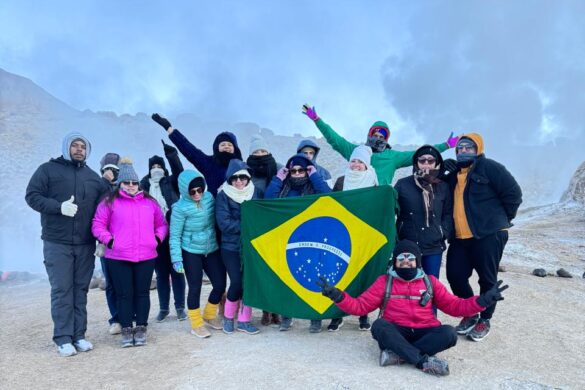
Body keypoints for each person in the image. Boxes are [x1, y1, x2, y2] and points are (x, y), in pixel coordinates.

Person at [318, 240, 508, 376]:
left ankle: (397, 355)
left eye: (411, 259)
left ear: (417, 261)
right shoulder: (385, 281)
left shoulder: (430, 281)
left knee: (449, 333)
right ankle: (422, 361)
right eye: (402, 259)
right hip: (396, 330)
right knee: (379, 326)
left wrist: (483, 301)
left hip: (425, 329)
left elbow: (455, 306)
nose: (406, 263)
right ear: (395, 262)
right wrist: (337, 295)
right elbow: (360, 306)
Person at [25, 131, 108, 357]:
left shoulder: (93, 178)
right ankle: (62, 338)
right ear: (66, 147)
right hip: (57, 242)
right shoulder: (48, 170)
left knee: (80, 290)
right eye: (75, 145)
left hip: (84, 244)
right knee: (62, 290)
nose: (79, 149)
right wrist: (57, 207)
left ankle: (78, 335)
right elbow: (32, 195)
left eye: (83, 146)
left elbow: (105, 209)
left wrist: (102, 238)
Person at [441, 133, 522, 341]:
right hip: (460, 238)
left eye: (468, 147)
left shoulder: (491, 168)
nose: (463, 151)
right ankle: (470, 312)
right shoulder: (453, 175)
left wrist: (500, 221)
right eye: (459, 148)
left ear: (478, 149)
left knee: (487, 278)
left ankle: (485, 319)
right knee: (455, 275)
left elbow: (513, 194)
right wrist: (442, 172)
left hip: (488, 235)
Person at [92, 158, 168, 347]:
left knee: (142, 293)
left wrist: (156, 239)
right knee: (124, 294)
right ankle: (126, 328)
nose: (131, 186)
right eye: (127, 182)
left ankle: (141, 327)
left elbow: (162, 224)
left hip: (146, 255)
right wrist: (110, 240)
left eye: (134, 183)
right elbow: (97, 224)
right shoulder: (109, 201)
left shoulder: (149, 202)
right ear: (120, 184)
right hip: (118, 256)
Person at [301, 104, 459, 185]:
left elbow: (419, 154)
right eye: (374, 135)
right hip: (358, 197)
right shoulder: (357, 152)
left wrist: (445, 145)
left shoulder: (393, 157)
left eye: (381, 136)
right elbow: (334, 139)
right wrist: (317, 120)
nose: (377, 138)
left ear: (386, 139)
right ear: (369, 135)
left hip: (379, 201)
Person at [265, 153, 331, 331]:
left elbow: (329, 197)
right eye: (293, 170)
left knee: (313, 278)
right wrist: (278, 178)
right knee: (287, 278)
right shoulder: (284, 186)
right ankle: (287, 316)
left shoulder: (313, 186)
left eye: (300, 170)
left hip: (311, 240)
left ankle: (314, 317)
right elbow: (268, 201)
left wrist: (314, 175)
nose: (296, 173)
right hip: (287, 240)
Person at [324, 145, 379, 332]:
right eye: (353, 160)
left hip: (362, 235)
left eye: (360, 162)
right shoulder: (341, 181)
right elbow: (330, 205)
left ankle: (362, 314)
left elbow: (377, 209)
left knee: (361, 274)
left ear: (366, 165)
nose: (356, 165)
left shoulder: (372, 182)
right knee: (341, 273)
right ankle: (337, 315)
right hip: (342, 235)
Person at [169, 169, 227, 338]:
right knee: (195, 287)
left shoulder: (209, 198)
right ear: (184, 191)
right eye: (192, 191)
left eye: (200, 190)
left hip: (212, 248)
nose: (197, 194)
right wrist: (176, 259)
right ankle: (196, 324)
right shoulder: (179, 208)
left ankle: (209, 315)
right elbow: (175, 235)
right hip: (191, 251)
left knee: (220, 284)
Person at [140, 140, 186, 323]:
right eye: (154, 166)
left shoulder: (171, 181)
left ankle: (180, 307)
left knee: (177, 270)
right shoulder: (143, 184)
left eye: (160, 166)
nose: (156, 168)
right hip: (154, 235)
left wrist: (172, 155)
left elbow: (179, 172)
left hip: (173, 231)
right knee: (160, 273)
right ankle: (164, 308)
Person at [215, 159, 263, 335]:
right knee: (236, 281)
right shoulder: (223, 196)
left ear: (248, 178)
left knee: (248, 282)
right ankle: (228, 317)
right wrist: (248, 224)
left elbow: (262, 216)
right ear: (229, 180)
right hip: (231, 247)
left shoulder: (255, 193)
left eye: (242, 177)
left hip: (251, 247)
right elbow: (224, 224)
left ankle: (244, 320)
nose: (239, 181)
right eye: (234, 178)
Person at [394, 145, 453, 283]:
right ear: (416, 163)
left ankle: (432, 306)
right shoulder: (403, 184)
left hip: (433, 246)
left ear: (436, 163)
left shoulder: (443, 187)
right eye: (422, 160)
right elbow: (390, 209)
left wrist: (442, 232)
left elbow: (448, 213)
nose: (426, 163)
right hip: (408, 245)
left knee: (431, 286)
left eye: (430, 160)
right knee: (407, 286)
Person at [151, 113, 242, 196]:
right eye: (223, 144)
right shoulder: (209, 164)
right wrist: (169, 129)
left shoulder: (242, 166)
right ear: (217, 148)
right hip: (217, 209)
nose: (226, 147)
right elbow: (190, 150)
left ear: (235, 148)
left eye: (230, 145)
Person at [245, 134, 282, 326]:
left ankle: (277, 310)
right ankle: (265, 311)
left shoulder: (279, 169)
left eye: (263, 151)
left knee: (277, 271)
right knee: (263, 273)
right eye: (256, 152)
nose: (260, 154)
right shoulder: (246, 171)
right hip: (258, 228)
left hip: (278, 227)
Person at [97, 152, 122, 335]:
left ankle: (131, 315)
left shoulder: (127, 187)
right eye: (108, 169)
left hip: (127, 243)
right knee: (112, 283)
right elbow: (94, 214)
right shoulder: (96, 187)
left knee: (129, 282)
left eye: (115, 170)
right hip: (106, 244)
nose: (111, 173)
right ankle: (115, 318)